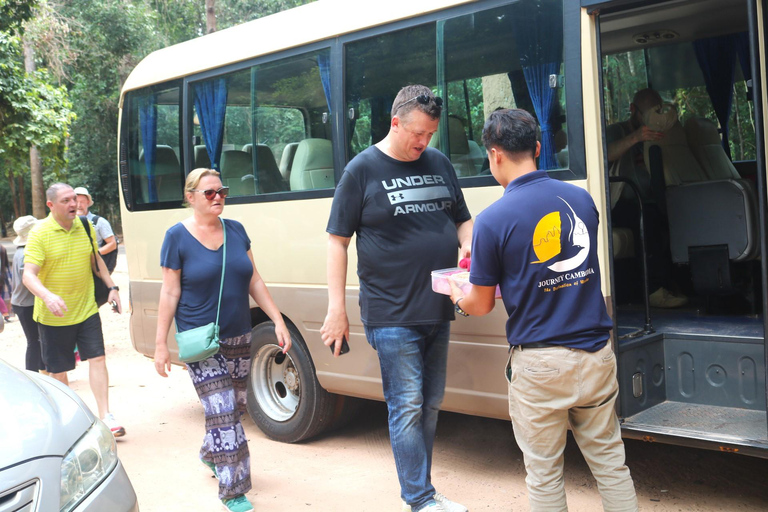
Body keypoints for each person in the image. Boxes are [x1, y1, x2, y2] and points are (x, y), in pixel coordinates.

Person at [449, 109, 638, 512]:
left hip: (540, 366)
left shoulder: (493, 220)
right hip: (596, 354)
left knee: (545, 474)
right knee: (610, 464)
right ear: (537, 148)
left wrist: (456, 296)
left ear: (494, 155)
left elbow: (481, 303)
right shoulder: (581, 199)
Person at [321, 84, 473, 512]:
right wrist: (337, 309)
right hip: (390, 313)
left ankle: (421, 489)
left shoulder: (438, 162)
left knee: (430, 404)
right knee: (406, 406)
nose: (423, 143)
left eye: (430, 134)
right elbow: (336, 241)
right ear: (395, 122)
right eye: (417, 134)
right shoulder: (362, 170)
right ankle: (419, 498)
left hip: (438, 305)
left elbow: (463, 220)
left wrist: (467, 243)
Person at [153, 168, 292, 512]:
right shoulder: (176, 237)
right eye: (209, 193)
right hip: (201, 341)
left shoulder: (236, 231)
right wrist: (160, 344)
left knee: (236, 406)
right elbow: (169, 292)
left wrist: (277, 319)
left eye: (222, 191)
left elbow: (254, 280)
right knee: (224, 410)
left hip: (239, 334)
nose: (218, 198)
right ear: (190, 198)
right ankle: (234, 490)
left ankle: (210, 452)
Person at [22, 183, 126, 437]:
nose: (74, 204)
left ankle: (106, 416)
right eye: (66, 200)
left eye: (75, 199)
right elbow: (28, 275)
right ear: (51, 205)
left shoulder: (85, 225)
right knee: (59, 370)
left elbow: (96, 260)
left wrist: (112, 287)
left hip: (86, 308)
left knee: (98, 358)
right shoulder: (40, 233)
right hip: (53, 316)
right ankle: (71, 419)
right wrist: (47, 296)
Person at [606, 88, 687, 308]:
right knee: (647, 218)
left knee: (676, 216)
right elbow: (604, 155)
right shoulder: (616, 131)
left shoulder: (660, 132)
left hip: (651, 198)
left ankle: (679, 283)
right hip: (619, 203)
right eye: (647, 113)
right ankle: (653, 290)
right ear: (633, 110)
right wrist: (635, 137)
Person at [11, 215, 45, 373]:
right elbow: (29, 280)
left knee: (38, 340)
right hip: (26, 304)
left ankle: (42, 370)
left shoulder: (22, 250)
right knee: (34, 341)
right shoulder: (25, 253)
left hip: (23, 302)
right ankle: (32, 374)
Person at [74, 186, 119, 274]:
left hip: (96, 269)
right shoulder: (67, 223)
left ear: (88, 202)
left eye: (82, 202)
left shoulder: (99, 222)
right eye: (76, 202)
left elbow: (112, 244)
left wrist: (93, 256)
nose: (79, 205)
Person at [0, 243, 11, 322]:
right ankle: (5, 313)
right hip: (2, 276)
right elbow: (7, 264)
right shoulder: (3, 248)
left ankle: (5, 313)